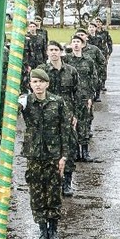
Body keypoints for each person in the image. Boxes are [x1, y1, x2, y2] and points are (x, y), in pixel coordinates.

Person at [20, 66, 74, 239]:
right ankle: (42, 229)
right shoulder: (26, 102)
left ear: (47, 84)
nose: (38, 86)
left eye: (41, 82)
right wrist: (17, 103)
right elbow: (8, 113)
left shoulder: (57, 102)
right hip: (34, 154)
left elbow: (65, 130)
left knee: (53, 192)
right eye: (34, 82)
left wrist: (64, 156)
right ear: (30, 84)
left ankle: (53, 229)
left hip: (53, 154)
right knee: (36, 192)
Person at [42, 42, 82, 197]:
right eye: (51, 50)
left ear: (61, 52)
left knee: (69, 147)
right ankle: (51, 181)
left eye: (56, 50)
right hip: (48, 115)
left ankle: (67, 182)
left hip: (67, 114)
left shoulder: (71, 71)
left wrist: (76, 115)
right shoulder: (43, 71)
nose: (53, 53)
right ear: (47, 52)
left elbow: (77, 94)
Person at [62, 33, 103, 165]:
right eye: (73, 41)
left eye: (78, 42)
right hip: (69, 97)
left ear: (82, 44)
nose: (76, 44)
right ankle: (74, 152)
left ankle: (84, 152)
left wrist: (91, 96)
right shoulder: (66, 60)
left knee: (84, 124)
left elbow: (94, 78)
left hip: (84, 97)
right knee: (71, 124)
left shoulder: (88, 60)